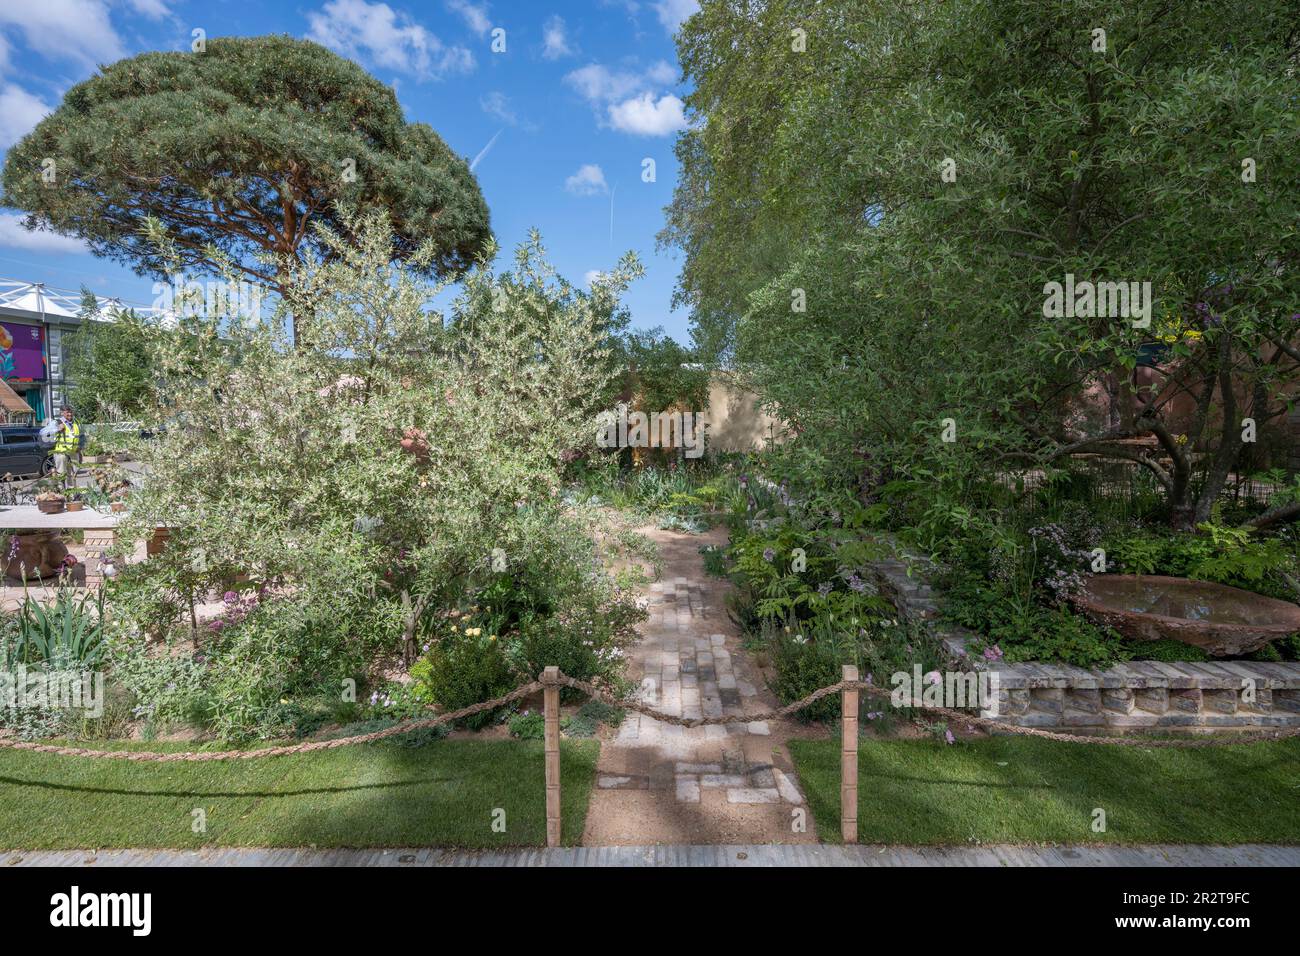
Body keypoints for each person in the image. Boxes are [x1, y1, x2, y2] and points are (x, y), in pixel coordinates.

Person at [52, 405, 81, 484]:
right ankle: (61, 491)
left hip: (73, 452)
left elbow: (80, 435)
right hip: (61, 452)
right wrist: (57, 429)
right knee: (61, 473)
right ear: (62, 413)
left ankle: (72, 491)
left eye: (71, 412)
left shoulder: (76, 422)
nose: (70, 414)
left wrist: (80, 445)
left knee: (73, 473)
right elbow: (45, 432)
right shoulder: (56, 422)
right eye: (67, 412)